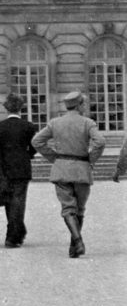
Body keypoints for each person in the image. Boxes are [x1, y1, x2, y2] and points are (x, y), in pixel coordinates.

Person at [32, 90, 106, 258]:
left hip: (61, 170)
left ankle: (77, 242)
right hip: (82, 169)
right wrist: (91, 159)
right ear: (80, 105)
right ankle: (76, 243)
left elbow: (36, 141)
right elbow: (100, 142)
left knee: (67, 209)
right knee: (80, 209)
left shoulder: (55, 123)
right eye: (84, 104)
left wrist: (54, 157)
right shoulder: (87, 123)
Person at [0, 93, 37, 248]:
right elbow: (35, 145)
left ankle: (16, 232)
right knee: (19, 200)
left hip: (4, 169)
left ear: (7, 109)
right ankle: (14, 235)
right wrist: (28, 155)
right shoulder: (28, 126)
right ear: (20, 108)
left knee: (9, 200)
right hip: (22, 167)